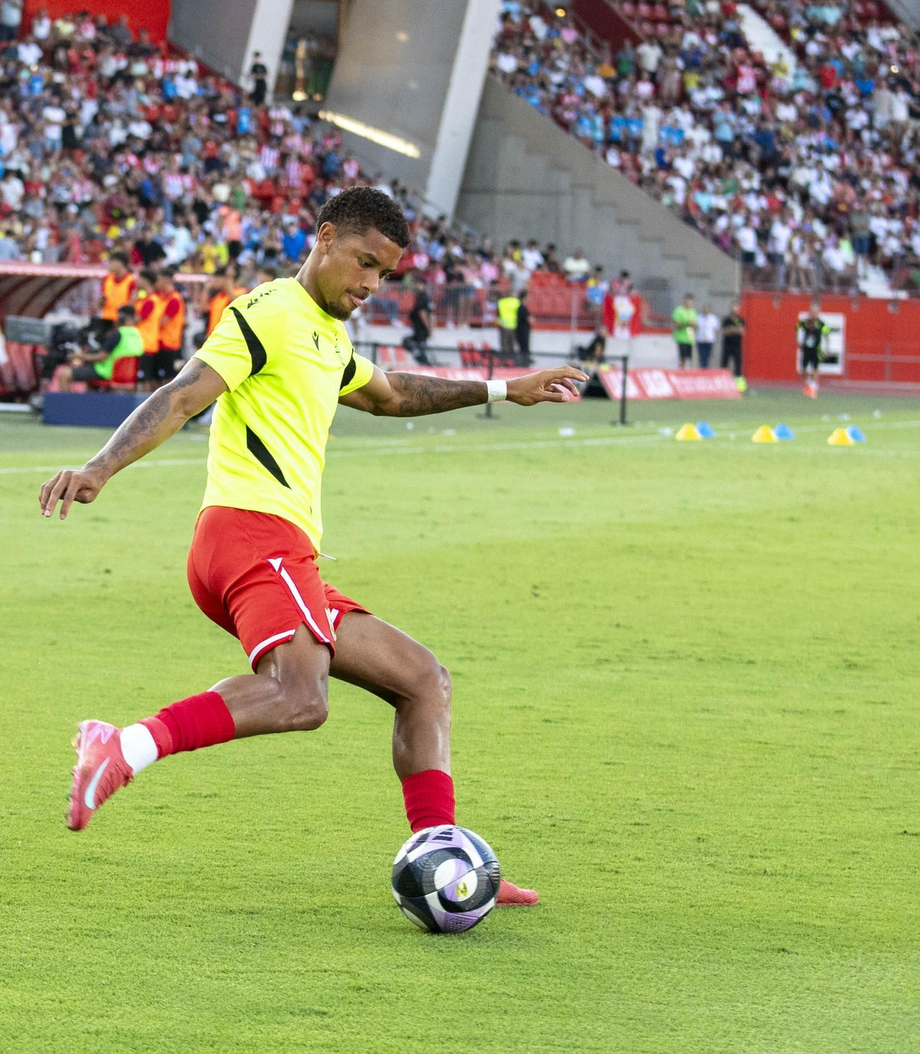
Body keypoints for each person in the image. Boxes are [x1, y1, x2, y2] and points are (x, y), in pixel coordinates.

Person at [42, 188, 585, 908]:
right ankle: (125, 746)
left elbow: (392, 394)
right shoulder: (267, 313)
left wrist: (502, 387)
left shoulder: (329, 336)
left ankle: (446, 861)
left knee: (424, 679)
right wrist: (100, 467)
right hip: (248, 534)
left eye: (385, 276)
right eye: (364, 264)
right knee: (301, 697)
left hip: (282, 552)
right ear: (324, 239)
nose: (370, 285)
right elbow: (181, 394)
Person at [798, 302, 828, 398]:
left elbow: (826, 336)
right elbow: (797, 329)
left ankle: (813, 389)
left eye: (816, 312)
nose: (814, 314)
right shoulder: (805, 323)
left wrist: (826, 348)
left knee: (815, 369)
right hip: (806, 349)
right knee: (803, 370)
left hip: (816, 349)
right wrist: (798, 340)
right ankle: (808, 384)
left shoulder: (821, 324)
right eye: (812, 312)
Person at [405, 278, 435, 365]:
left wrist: (429, 328)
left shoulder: (423, 297)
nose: (417, 286)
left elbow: (423, 313)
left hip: (421, 327)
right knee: (414, 343)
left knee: (420, 346)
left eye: (419, 284)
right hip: (418, 327)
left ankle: (425, 364)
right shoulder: (421, 297)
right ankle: (422, 361)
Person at [101, 252, 136, 322]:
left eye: (111, 262)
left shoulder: (131, 281)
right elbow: (103, 297)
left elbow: (133, 302)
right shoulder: (107, 278)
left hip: (121, 320)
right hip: (106, 318)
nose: (108, 264)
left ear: (120, 263)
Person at [720, 305, 745, 384]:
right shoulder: (726, 320)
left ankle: (738, 383)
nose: (735, 311)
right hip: (727, 345)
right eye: (733, 309)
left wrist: (731, 329)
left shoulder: (741, 320)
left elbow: (742, 331)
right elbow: (725, 332)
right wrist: (735, 330)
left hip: (737, 346)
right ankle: (723, 381)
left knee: (738, 364)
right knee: (724, 363)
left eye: (736, 309)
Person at [672, 294, 697, 368]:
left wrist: (692, 325)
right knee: (682, 358)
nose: (689, 304)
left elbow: (695, 326)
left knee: (691, 359)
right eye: (687, 302)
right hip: (681, 338)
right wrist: (686, 323)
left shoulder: (693, 312)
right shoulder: (678, 311)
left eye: (690, 302)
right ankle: (681, 371)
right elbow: (676, 325)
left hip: (690, 339)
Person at [496, 288, 521, 358]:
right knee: (512, 345)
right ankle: (512, 360)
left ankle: (504, 359)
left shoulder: (501, 302)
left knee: (504, 345)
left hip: (503, 325)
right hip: (513, 326)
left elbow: (498, 313)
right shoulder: (517, 302)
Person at [695, 303, 719, 369]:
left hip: (709, 340)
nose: (705, 310)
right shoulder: (698, 317)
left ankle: (706, 369)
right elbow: (696, 328)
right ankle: (702, 369)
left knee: (708, 356)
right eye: (704, 309)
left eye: (707, 309)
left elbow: (716, 329)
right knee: (702, 356)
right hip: (701, 339)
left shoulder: (713, 318)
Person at [514, 288, 532, 365]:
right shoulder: (522, 308)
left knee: (524, 347)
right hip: (522, 331)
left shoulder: (522, 307)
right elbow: (528, 319)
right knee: (523, 347)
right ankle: (524, 363)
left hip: (523, 330)